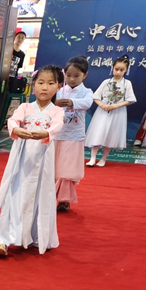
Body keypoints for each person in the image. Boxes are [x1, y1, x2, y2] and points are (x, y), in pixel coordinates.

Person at [0, 65, 65, 256]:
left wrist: (45, 133)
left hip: (43, 158)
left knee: (40, 194)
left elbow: (56, 126)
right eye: (40, 82)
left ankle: (35, 236)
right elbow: (13, 120)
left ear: (59, 86)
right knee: (13, 193)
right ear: (33, 85)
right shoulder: (25, 107)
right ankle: (3, 239)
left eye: (50, 83)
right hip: (21, 158)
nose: (45, 87)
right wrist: (16, 129)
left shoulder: (57, 111)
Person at [54, 56, 93, 212]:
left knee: (67, 169)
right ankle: (49, 196)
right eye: (68, 75)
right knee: (53, 167)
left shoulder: (87, 92)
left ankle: (64, 199)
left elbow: (87, 103)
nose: (71, 79)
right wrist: (54, 103)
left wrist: (72, 102)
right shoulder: (59, 91)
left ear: (85, 75)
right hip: (56, 134)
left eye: (76, 75)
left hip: (74, 136)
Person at [85, 55, 136, 167]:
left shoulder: (127, 83)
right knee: (98, 132)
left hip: (118, 113)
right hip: (102, 112)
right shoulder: (106, 82)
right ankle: (92, 158)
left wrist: (116, 106)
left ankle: (103, 159)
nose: (118, 72)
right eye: (116, 69)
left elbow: (130, 99)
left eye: (121, 70)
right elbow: (95, 96)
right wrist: (102, 105)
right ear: (112, 68)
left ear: (126, 70)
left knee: (111, 135)